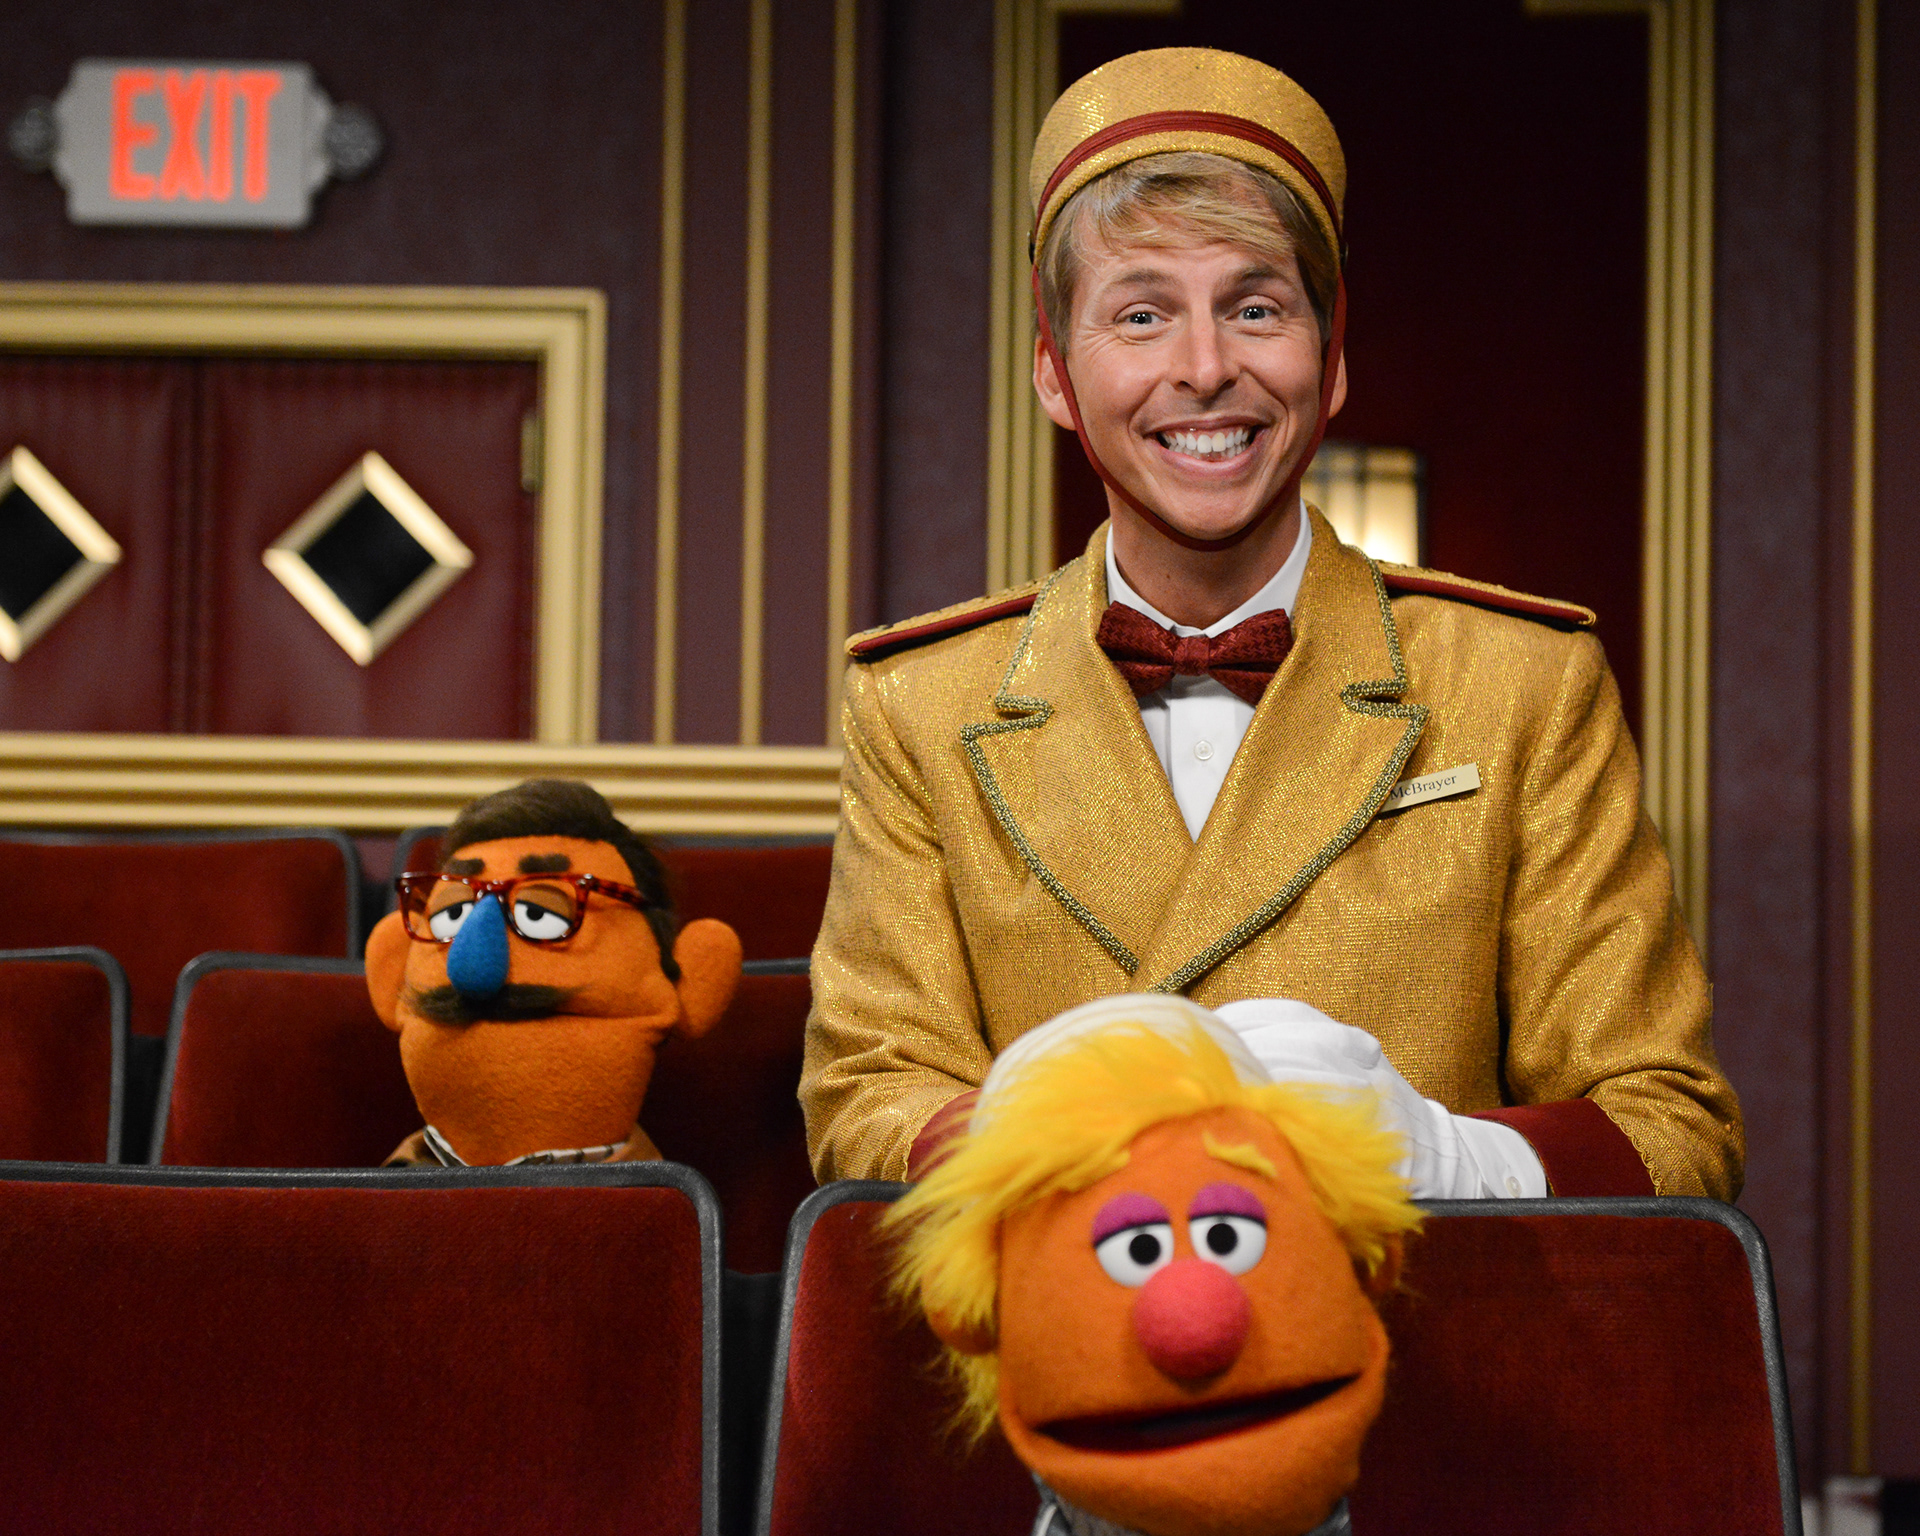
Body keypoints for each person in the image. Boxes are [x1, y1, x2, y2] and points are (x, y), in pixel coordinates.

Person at [801, 47, 1741, 1200]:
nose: (1205, 368)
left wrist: (1444, 1156)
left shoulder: (1523, 684)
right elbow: (869, 1095)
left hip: (1428, 1312)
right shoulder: (920, 705)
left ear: (1330, 361)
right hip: (1058, 1316)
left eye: (1256, 308)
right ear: (1053, 374)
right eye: (1141, 315)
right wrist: (1075, 1148)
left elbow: (1672, 1127)